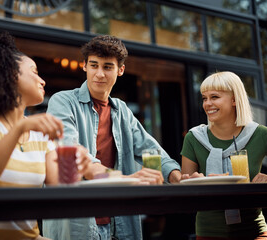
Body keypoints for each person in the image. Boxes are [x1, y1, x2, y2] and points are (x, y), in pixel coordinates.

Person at [43, 35, 182, 240]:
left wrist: (178, 178)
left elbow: (150, 150)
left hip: (119, 222)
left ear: (120, 70)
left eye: (107, 67)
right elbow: (76, 160)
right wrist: (127, 180)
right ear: (84, 66)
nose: (99, 74)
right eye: (94, 65)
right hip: (76, 222)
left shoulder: (122, 111)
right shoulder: (62, 102)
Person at [0, 32, 91, 240]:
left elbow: (60, 192)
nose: (42, 80)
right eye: (34, 72)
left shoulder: (39, 134)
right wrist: (20, 128)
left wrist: (75, 162)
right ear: (10, 74)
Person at [181, 71, 267, 239]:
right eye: (204, 98)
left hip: (254, 231)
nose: (207, 104)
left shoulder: (262, 135)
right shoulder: (193, 138)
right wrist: (190, 182)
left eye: (214, 97)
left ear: (235, 99)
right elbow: (185, 194)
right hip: (208, 233)